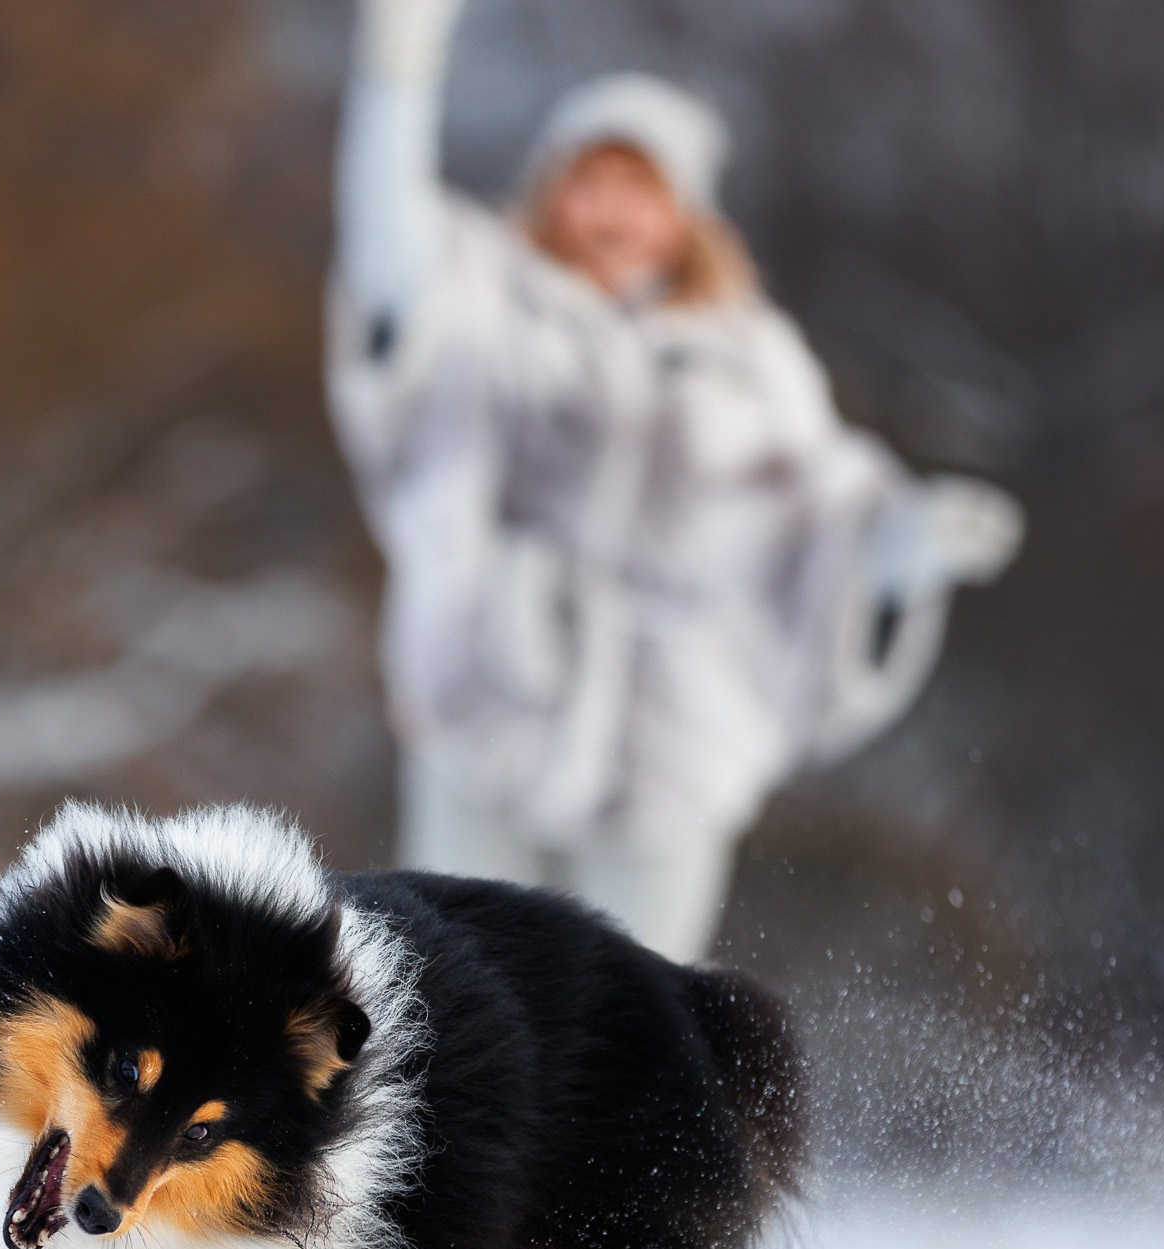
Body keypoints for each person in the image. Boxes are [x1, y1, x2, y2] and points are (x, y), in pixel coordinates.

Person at [328, 0, 1022, 962]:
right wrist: (398, 67)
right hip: (492, 690)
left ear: (683, 213)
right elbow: (384, 253)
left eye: (639, 185)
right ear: (550, 192)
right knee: (454, 1005)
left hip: (676, 735)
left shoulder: (752, 357)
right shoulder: (482, 300)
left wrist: (909, 543)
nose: (611, 208)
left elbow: (822, 516)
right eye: (591, 179)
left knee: (637, 1026)